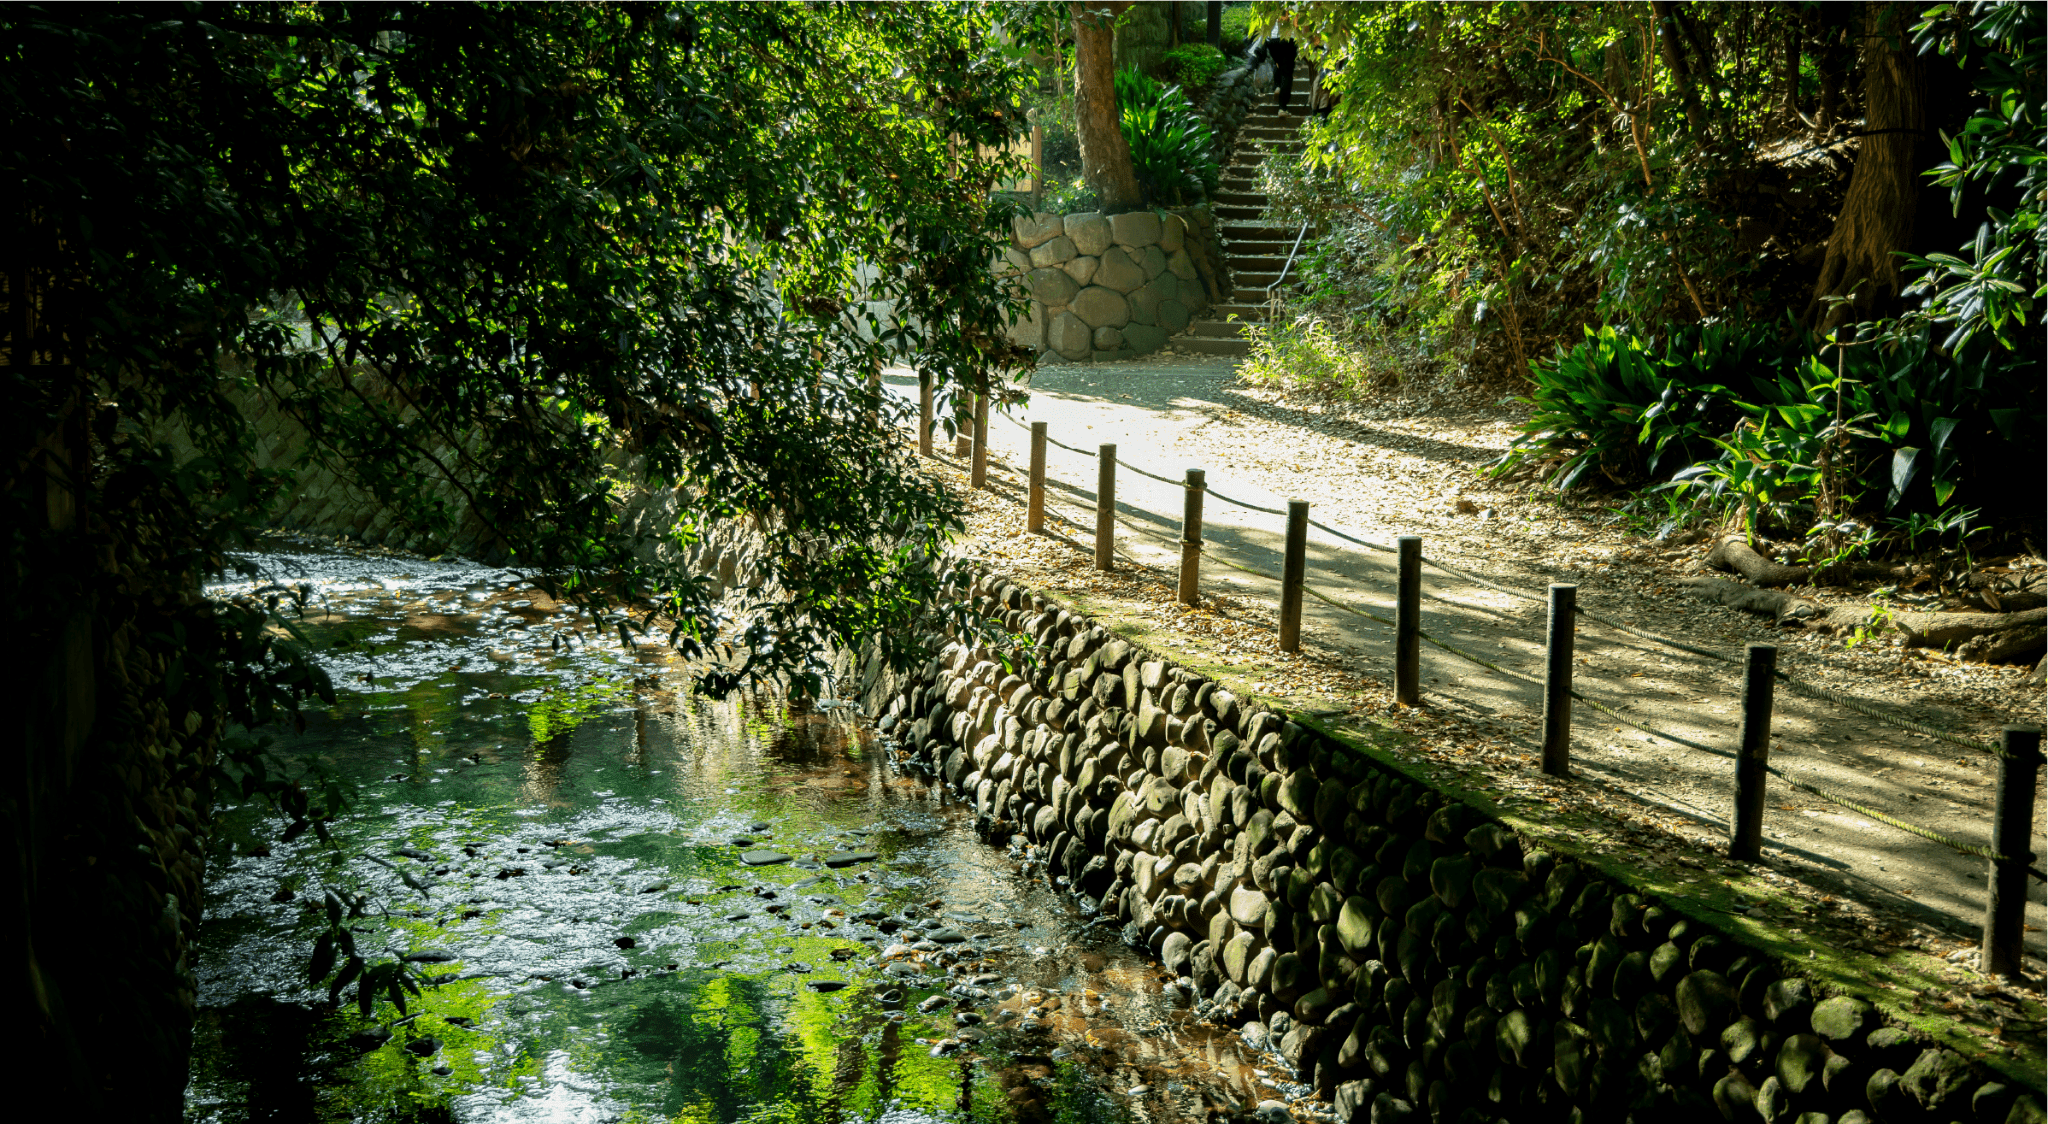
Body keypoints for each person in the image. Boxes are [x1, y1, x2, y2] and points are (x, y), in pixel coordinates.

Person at [1246, 33, 1298, 112]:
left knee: (1278, 63)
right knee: (1287, 73)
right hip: (1289, 38)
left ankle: (1277, 86)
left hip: (1273, 39)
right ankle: (1282, 107)